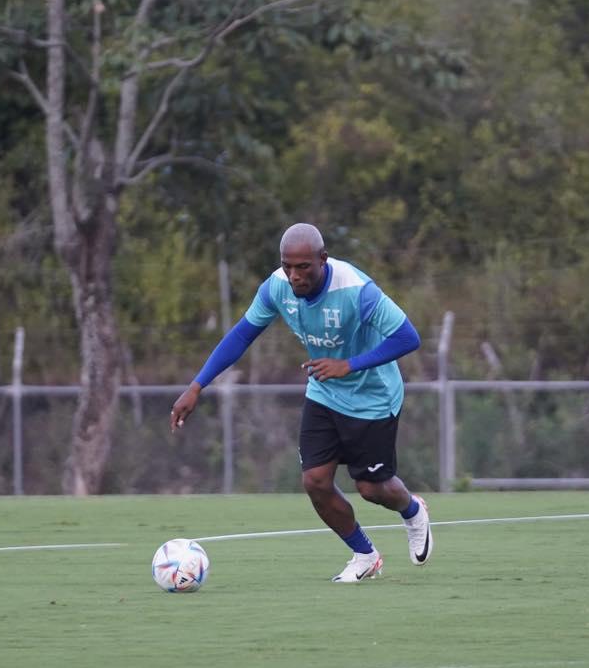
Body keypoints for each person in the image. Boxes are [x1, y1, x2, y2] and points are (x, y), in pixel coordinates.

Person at [170, 222, 432, 582]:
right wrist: (197, 386)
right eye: (287, 266)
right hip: (323, 392)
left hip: (373, 399)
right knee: (315, 481)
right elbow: (242, 334)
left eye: (303, 267)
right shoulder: (276, 287)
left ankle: (413, 510)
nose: (294, 275)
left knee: (372, 489)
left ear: (322, 259)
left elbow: (408, 337)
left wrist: (348, 365)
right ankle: (364, 554)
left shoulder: (357, 290)